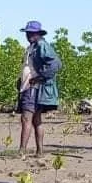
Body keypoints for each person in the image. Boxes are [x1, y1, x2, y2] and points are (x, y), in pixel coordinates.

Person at [15, 21, 61, 156]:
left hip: (34, 88)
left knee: (26, 118)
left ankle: (21, 151)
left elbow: (55, 64)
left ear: (38, 33)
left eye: (32, 33)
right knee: (36, 120)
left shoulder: (41, 45)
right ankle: (39, 151)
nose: (29, 35)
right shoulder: (33, 47)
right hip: (30, 87)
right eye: (28, 33)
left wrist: (40, 77)